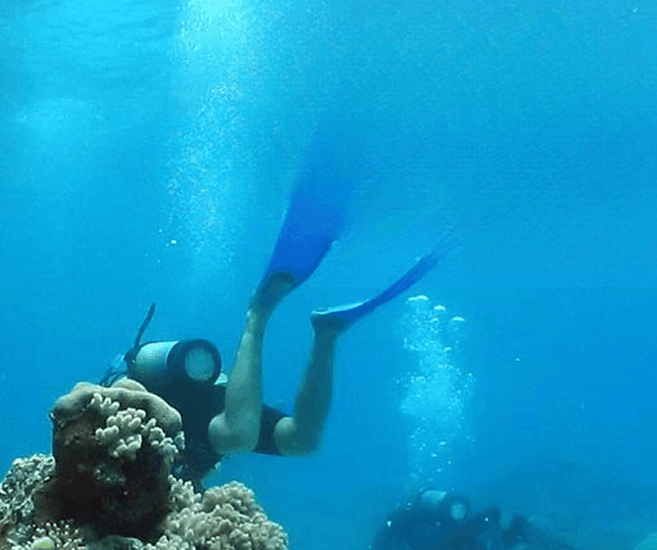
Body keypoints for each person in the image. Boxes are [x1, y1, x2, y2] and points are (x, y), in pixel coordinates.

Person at [113, 128, 449, 482]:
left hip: (181, 416)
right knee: (301, 440)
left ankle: (258, 314)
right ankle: (327, 335)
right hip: (205, 413)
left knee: (238, 435)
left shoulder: (120, 411)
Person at [371, 489, 582, 550]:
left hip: (448, 540)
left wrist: (486, 521)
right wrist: (482, 520)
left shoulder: (438, 521)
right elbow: (441, 542)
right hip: (436, 542)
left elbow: (455, 538)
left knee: (514, 526)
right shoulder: (409, 523)